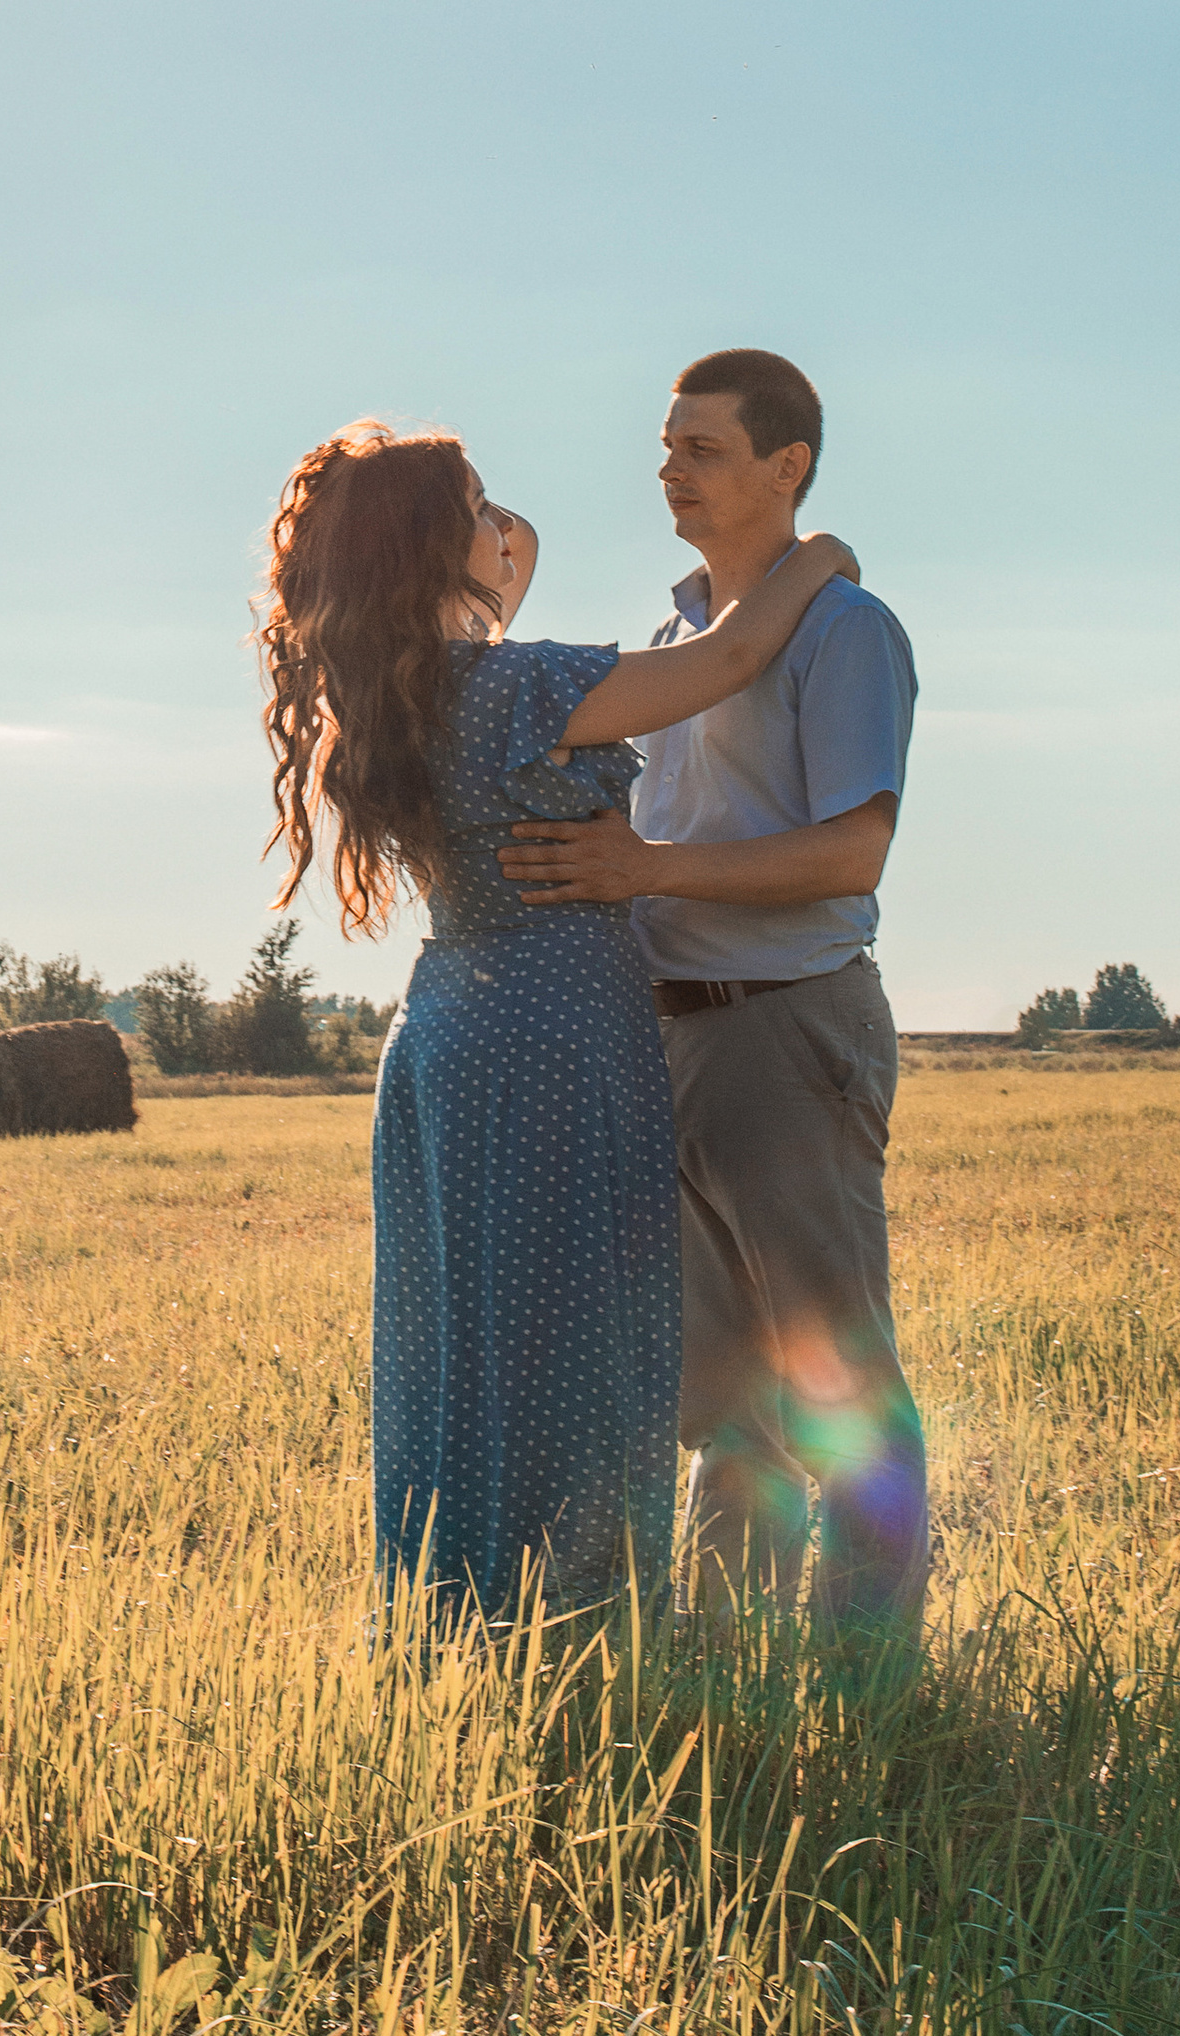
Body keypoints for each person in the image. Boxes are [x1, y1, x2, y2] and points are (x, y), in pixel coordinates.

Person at [258, 418, 859, 1626]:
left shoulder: (391, 700)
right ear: (432, 552)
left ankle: (466, 1611)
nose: (507, 530)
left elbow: (493, 598)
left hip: (449, 1032)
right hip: (556, 1033)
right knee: (572, 1344)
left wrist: (476, 554)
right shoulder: (526, 686)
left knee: (467, 1343)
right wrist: (821, 556)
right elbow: (732, 657)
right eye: (480, 512)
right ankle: (577, 1619)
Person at [499, 349, 925, 1646]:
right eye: (669, 445)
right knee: (724, 1396)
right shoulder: (682, 639)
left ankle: (869, 1690)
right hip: (673, 1045)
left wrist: (643, 869)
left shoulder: (851, 633)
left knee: (840, 1386)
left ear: (787, 469)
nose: (671, 469)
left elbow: (854, 852)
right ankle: (722, 1673)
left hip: (789, 1029)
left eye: (706, 450)